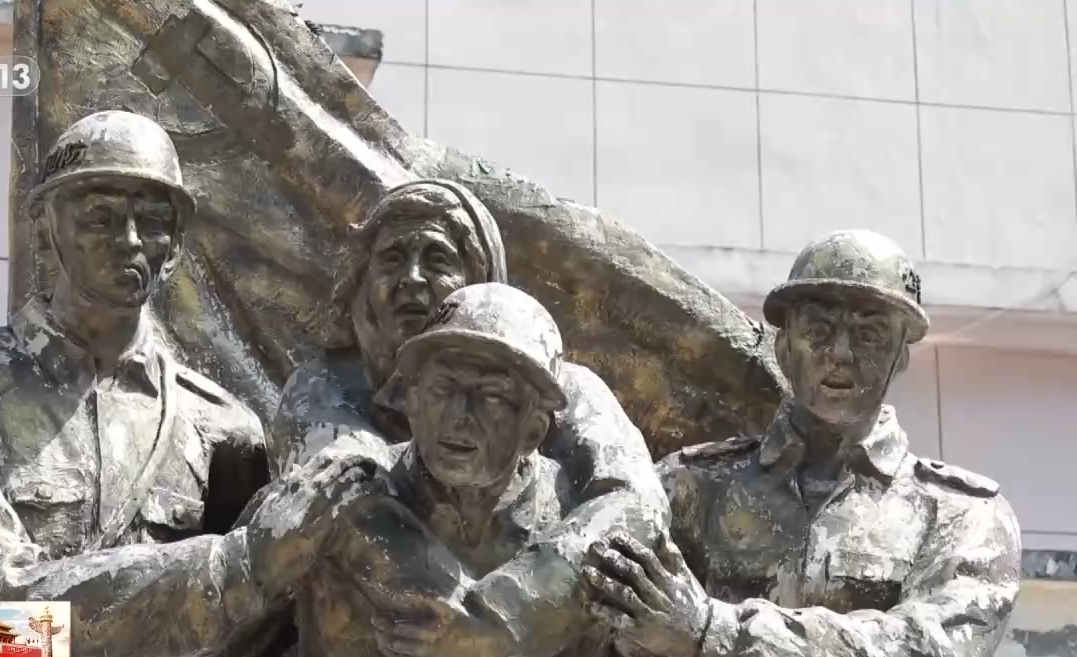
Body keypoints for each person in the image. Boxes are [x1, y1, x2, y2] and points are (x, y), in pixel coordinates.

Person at [0, 110, 384, 657]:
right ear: (43, 227)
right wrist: (238, 564)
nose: (129, 239)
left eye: (154, 220)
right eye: (99, 216)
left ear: (176, 244)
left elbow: (247, 637)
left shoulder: (223, 430)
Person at [268, 179, 668, 655]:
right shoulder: (323, 386)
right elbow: (348, 508)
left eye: (438, 260)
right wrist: (457, 621)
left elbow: (634, 504)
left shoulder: (567, 387)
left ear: (481, 277)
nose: (411, 278)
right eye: (392, 258)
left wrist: (505, 615)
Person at [582, 230, 1022, 657]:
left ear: (900, 357)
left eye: (870, 335)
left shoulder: (963, 516)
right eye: (819, 330)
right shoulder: (686, 490)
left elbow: (928, 646)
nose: (841, 353)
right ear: (783, 347)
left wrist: (712, 630)